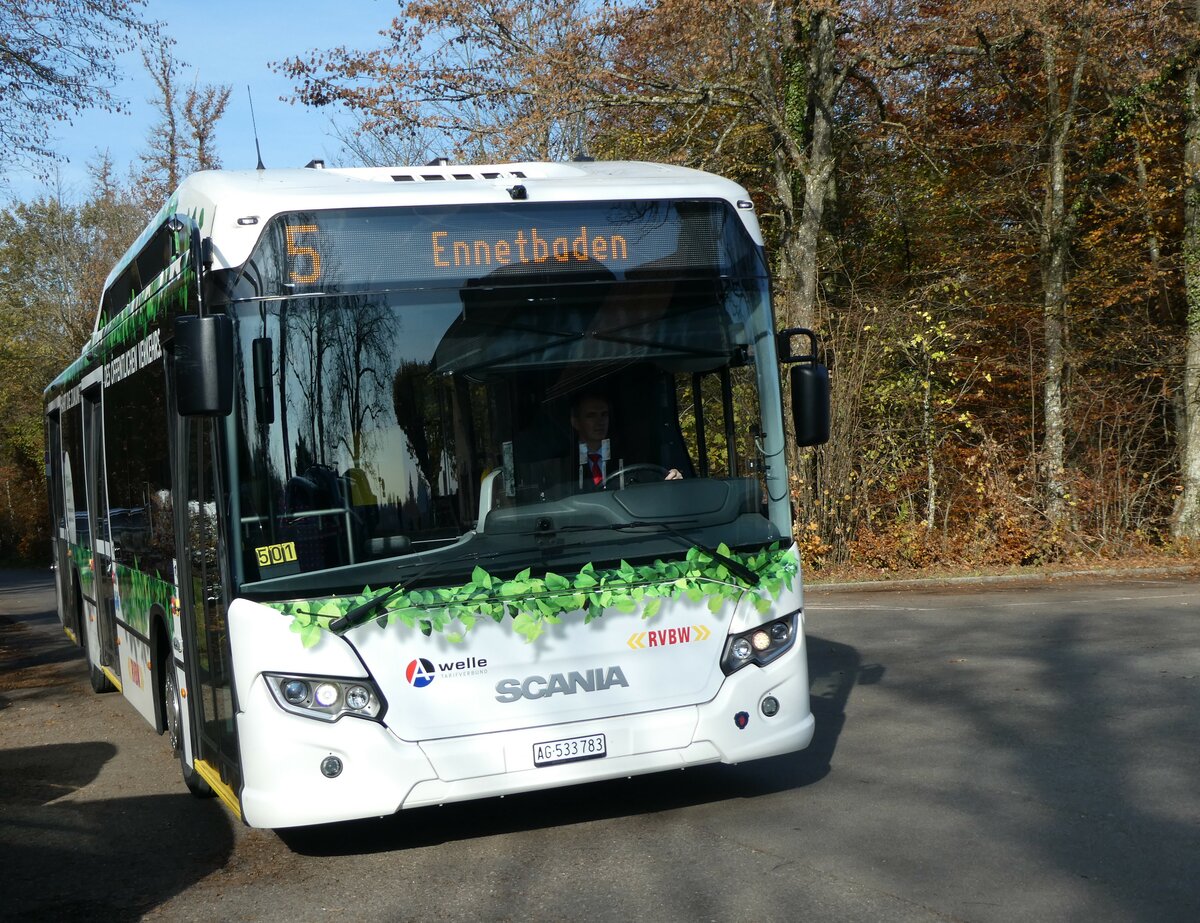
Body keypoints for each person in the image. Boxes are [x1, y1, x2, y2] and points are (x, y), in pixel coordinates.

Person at [570, 393, 682, 488]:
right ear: (576, 422)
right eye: (591, 415)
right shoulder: (564, 465)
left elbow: (649, 481)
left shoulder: (629, 456)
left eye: (604, 414)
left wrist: (672, 476)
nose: (600, 422)